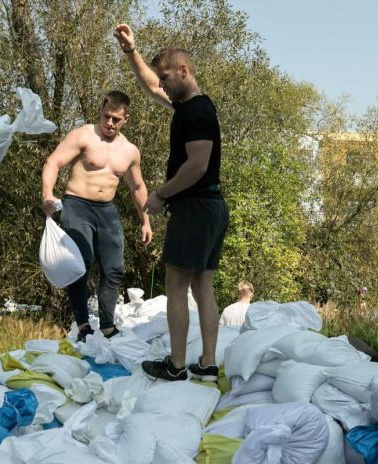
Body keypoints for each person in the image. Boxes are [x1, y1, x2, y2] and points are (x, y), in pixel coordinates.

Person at [115, 24, 229, 382]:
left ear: (184, 71)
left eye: (167, 77)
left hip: (195, 207)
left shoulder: (195, 112)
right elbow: (150, 86)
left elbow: (197, 164)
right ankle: (207, 363)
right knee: (202, 286)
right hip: (211, 207)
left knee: (176, 285)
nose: (162, 85)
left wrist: (161, 194)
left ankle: (177, 365)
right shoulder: (190, 106)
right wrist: (132, 51)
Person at [41, 91, 152, 342]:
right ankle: (82, 325)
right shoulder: (83, 135)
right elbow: (53, 162)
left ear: (126, 119)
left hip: (106, 209)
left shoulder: (130, 151)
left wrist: (146, 221)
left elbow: (137, 187)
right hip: (77, 204)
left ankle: (108, 326)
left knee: (115, 269)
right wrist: (48, 194)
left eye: (115, 119)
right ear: (100, 113)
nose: (109, 123)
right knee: (81, 264)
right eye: (106, 117)